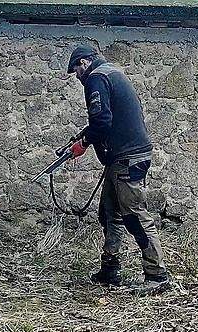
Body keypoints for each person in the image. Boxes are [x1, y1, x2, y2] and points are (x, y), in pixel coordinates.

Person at [66, 45, 170, 295]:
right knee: (109, 213)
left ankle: (157, 276)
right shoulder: (112, 73)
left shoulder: (96, 78)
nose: (77, 76)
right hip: (123, 157)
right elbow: (110, 120)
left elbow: (101, 122)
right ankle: (110, 269)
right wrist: (84, 137)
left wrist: (83, 143)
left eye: (76, 70)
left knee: (134, 215)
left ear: (84, 63)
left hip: (127, 159)